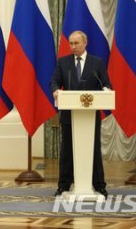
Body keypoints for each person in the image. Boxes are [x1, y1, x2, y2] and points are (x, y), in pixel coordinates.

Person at [50, 30, 110, 197]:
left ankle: (99, 185)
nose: (73, 46)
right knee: (67, 151)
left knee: (94, 150)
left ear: (85, 43)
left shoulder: (97, 63)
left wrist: (106, 90)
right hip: (69, 115)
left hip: (90, 116)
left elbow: (106, 84)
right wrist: (55, 90)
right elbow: (54, 81)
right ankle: (64, 185)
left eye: (76, 43)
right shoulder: (63, 62)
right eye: (71, 43)